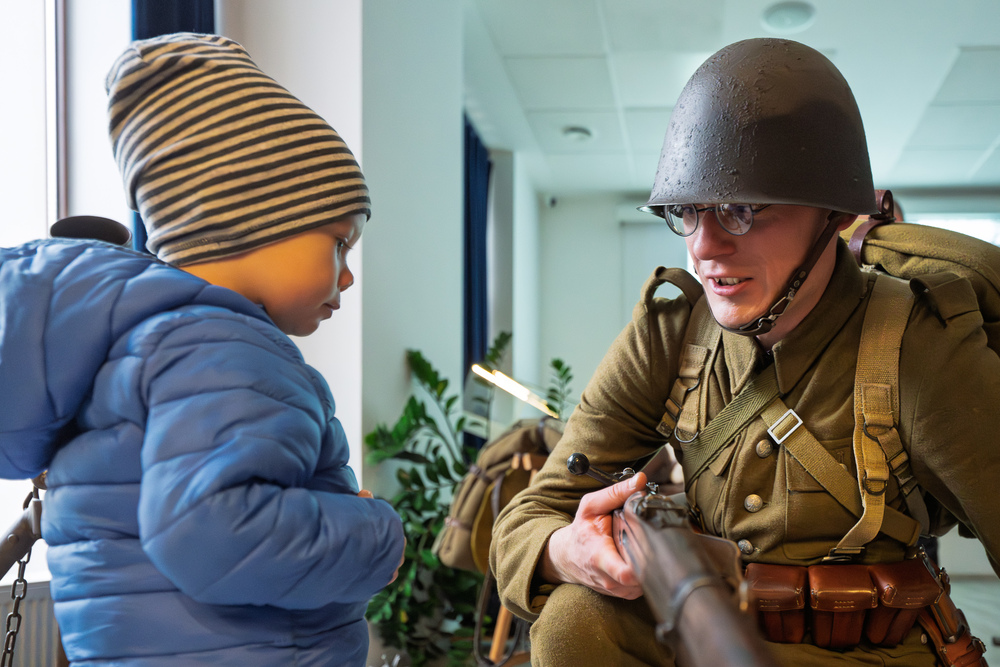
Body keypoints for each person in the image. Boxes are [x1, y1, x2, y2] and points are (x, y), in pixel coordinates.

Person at [490, 38, 999, 666]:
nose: (704, 248)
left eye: (742, 209)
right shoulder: (673, 329)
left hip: (868, 654)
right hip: (698, 636)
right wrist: (565, 550)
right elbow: (531, 514)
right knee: (574, 622)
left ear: (832, 216)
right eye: (687, 212)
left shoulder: (919, 343)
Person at [0, 33, 405, 666]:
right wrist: (377, 535)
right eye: (339, 243)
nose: (347, 276)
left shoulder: (131, 350)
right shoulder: (225, 347)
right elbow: (215, 535)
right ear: (254, 218)